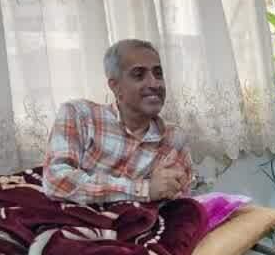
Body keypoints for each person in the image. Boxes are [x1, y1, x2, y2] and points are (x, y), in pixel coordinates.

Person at [42, 39, 194, 203]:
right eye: (139, 75)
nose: (154, 83)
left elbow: (183, 199)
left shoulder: (174, 138)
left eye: (158, 74)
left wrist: (169, 188)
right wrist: (144, 189)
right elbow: (56, 181)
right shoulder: (80, 115)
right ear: (115, 87)